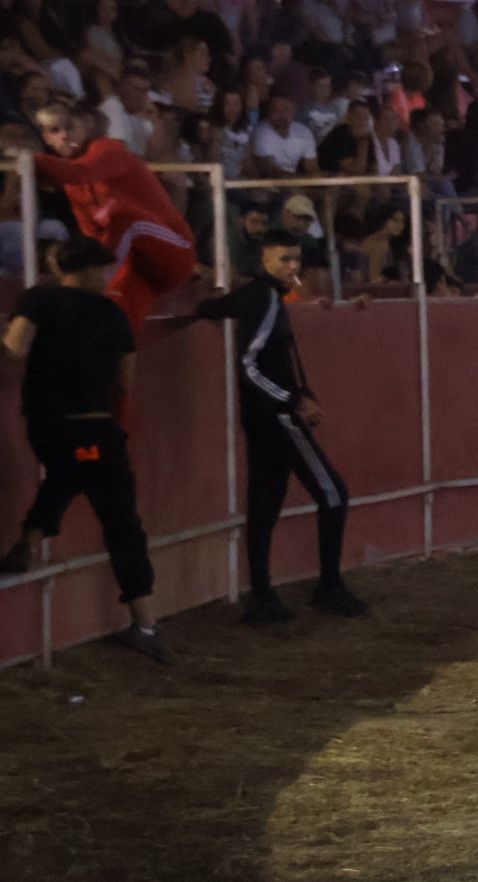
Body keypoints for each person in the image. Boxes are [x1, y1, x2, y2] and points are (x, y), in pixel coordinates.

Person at [0, 238, 174, 664]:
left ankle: (29, 538)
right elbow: (126, 381)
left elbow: (14, 349)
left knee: (68, 472)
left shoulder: (39, 299)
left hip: (50, 425)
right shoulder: (112, 313)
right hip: (98, 424)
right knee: (121, 520)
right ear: (94, 270)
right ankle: (145, 622)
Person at [192, 228, 368, 625]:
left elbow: (214, 311)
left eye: (295, 259)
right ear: (265, 259)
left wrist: (300, 393)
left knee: (265, 503)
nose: (292, 267)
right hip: (278, 417)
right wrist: (293, 399)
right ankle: (327, 586)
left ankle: (262, 595)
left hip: (264, 416)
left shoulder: (259, 294)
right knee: (332, 492)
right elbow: (250, 366)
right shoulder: (266, 297)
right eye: (284, 259)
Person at [29, 100, 197, 338]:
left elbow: (82, 172)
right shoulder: (71, 182)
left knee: (126, 221)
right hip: (136, 266)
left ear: (85, 125)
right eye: (55, 131)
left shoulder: (108, 149)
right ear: (47, 138)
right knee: (119, 328)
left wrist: (31, 158)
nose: (65, 136)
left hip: (174, 250)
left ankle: (89, 282)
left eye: (70, 127)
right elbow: (91, 233)